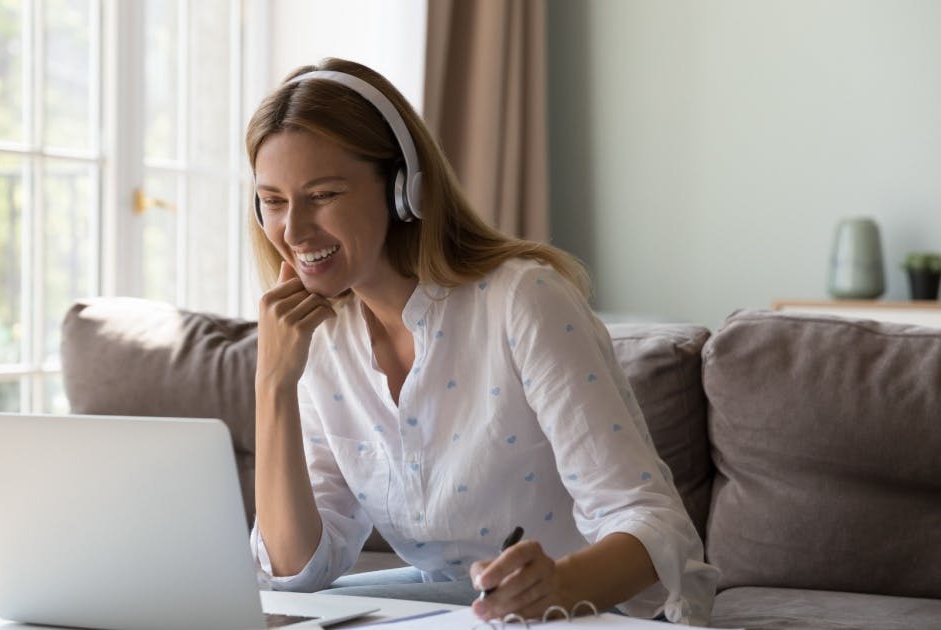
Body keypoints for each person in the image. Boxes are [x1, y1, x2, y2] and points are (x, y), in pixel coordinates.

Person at [246, 57, 718, 625]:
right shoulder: (318, 338)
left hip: (584, 607)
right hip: (455, 611)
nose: (293, 231)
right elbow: (297, 572)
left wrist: (556, 584)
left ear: (403, 191)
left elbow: (651, 522)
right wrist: (273, 384)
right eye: (273, 202)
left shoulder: (523, 300)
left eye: (321, 195)